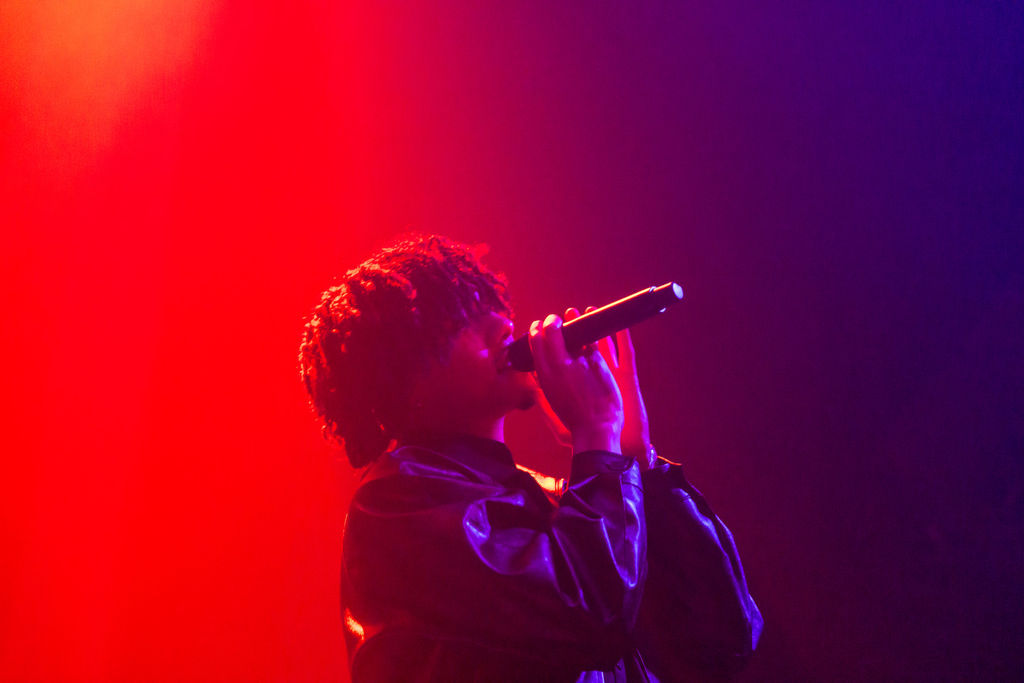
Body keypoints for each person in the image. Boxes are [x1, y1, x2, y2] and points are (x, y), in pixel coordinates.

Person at [298, 234, 762, 682]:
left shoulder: (556, 497)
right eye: (454, 318)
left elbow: (725, 637)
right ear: (396, 380)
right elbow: (586, 616)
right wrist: (597, 438)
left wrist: (637, 461)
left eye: (486, 302)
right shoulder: (395, 507)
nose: (500, 321)